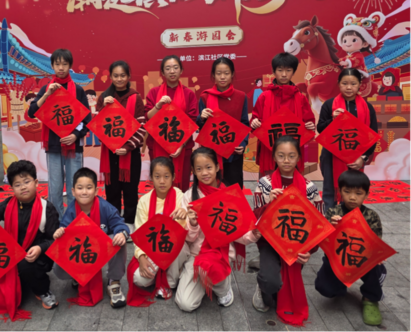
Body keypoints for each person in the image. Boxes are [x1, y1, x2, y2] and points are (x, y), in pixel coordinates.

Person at [0, 160, 60, 319]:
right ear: (12, 188)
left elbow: (56, 240)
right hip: (12, 257)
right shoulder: (8, 205)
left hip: (38, 256)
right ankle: (23, 280)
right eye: (17, 184)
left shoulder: (46, 208)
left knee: (27, 265)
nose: (23, 187)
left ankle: (42, 289)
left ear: (36, 183)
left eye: (27, 182)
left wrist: (40, 248)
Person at [176, 148, 258, 312]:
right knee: (185, 304)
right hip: (196, 254)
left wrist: (254, 234)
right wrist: (192, 223)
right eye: (199, 169)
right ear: (193, 171)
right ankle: (202, 278)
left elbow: (240, 234)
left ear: (217, 167)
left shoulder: (230, 195)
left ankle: (223, 288)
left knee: (210, 267)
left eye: (208, 167)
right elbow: (188, 239)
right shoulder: (189, 197)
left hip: (221, 253)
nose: (204, 173)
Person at [252, 136, 323, 326]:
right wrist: (268, 205)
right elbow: (255, 221)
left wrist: (310, 250)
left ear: (298, 157)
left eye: (291, 156)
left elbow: (319, 224)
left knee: (283, 284)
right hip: (269, 243)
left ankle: (267, 271)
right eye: (281, 155)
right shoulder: (265, 184)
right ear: (274, 157)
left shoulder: (310, 188)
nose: (286, 160)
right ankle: (262, 285)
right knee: (271, 284)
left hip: (296, 244)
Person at [314, 169, 386, 326]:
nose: (352, 197)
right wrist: (330, 226)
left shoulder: (372, 216)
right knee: (325, 289)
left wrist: (377, 255)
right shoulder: (333, 212)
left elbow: (376, 243)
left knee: (374, 264)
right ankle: (340, 284)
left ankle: (370, 298)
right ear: (340, 192)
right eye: (347, 192)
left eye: (358, 193)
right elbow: (322, 240)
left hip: (362, 258)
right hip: (338, 258)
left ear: (366, 194)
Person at [53, 168, 130, 308]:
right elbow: (64, 229)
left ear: (96, 191)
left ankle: (114, 281)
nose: (84, 192)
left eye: (89, 188)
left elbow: (120, 224)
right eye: (80, 188)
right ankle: (77, 275)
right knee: (58, 267)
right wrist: (59, 232)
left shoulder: (105, 207)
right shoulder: (71, 210)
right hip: (83, 250)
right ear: (73, 191)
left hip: (102, 247)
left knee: (119, 241)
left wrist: (121, 233)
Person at [28, 49, 92, 216]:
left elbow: (87, 119)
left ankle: (74, 218)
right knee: (55, 186)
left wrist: (75, 135)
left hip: (73, 145)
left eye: (65, 64)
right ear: (52, 66)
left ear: (70, 66)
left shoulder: (78, 90)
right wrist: (47, 94)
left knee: (75, 185)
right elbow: (32, 112)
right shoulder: (46, 89)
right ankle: (55, 219)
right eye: (57, 64)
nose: (61, 68)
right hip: (53, 144)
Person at [127, 157, 188, 306]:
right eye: (157, 176)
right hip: (152, 248)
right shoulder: (144, 201)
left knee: (179, 247)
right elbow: (140, 233)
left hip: (173, 246)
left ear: (173, 177)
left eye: (166, 176)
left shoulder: (180, 197)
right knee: (139, 279)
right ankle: (166, 274)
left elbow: (185, 230)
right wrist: (141, 257)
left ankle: (169, 282)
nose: (162, 181)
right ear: (151, 178)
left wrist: (184, 213)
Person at [97, 60, 146, 235]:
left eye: (123, 75)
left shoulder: (135, 97)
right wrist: (103, 108)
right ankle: (114, 223)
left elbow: (141, 126)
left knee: (131, 191)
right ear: (110, 77)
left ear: (129, 76)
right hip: (110, 154)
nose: (119, 79)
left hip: (130, 154)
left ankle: (130, 223)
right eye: (116, 75)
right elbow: (97, 125)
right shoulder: (104, 97)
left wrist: (128, 147)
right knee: (112, 191)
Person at [317, 68, 378, 209]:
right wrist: (332, 119)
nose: (349, 87)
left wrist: (363, 158)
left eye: (353, 84)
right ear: (338, 84)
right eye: (345, 83)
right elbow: (320, 129)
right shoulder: (329, 105)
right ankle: (330, 217)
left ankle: (349, 219)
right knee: (330, 190)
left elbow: (372, 135)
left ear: (360, 85)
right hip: (331, 156)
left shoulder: (367, 108)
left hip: (356, 157)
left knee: (352, 190)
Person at [251, 53, 315, 177]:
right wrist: (254, 123)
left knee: (293, 186)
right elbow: (255, 119)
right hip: (269, 151)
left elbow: (309, 122)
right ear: (273, 71)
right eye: (280, 70)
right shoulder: (264, 97)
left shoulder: (301, 98)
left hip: (293, 151)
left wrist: (310, 126)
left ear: (294, 72)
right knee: (269, 185)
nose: (284, 74)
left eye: (288, 70)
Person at [145, 55, 198, 191]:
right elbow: (148, 118)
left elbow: (191, 122)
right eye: (168, 68)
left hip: (182, 147)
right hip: (157, 144)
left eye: (175, 67)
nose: (172, 71)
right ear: (162, 72)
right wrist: (158, 106)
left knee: (182, 184)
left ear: (181, 70)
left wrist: (181, 144)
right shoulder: (154, 92)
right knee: (161, 182)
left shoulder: (189, 94)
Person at [197, 57, 249, 188]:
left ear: (232, 74)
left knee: (233, 190)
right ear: (213, 75)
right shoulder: (205, 97)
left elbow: (244, 123)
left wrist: (243, 144)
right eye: (218, 73)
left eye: (226, 73)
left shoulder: (241, 96)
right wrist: (201, 118)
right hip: (211, 154)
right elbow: (201, 128)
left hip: (233, 153)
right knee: (211, 190)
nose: (222, 77)